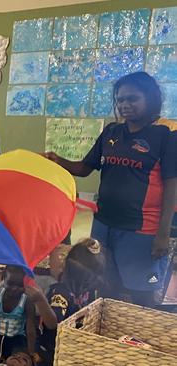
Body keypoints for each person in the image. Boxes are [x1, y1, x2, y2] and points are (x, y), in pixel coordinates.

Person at [44, 72, 177, 307]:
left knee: (141, 295)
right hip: (104, 224)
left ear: (151, 98)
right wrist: (57, 160)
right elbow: (85, 168)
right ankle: (106, 336)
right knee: (104, 285)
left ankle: (135, 342)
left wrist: (163, 233)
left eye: (132, 99)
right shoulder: (111, 133)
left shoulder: (165, 138)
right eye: (120, 100)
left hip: (142, 230)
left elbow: (171, 186)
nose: (125, 105)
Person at [37, 239, 105, 366]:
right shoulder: (89, 287)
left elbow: (52, 324)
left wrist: (40, 299)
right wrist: (54, 253)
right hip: (72, 345)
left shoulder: (61, 292)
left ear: (66, 266)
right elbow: (56, 268)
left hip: (55, 349)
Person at [0, 267, 37, 362]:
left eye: (19, 285)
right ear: (3, 278)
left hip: (15, 338)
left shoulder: (27, 302)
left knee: (20, 358)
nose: (14, 288)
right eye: (10, 283)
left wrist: (31, 352)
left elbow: (30, 330)